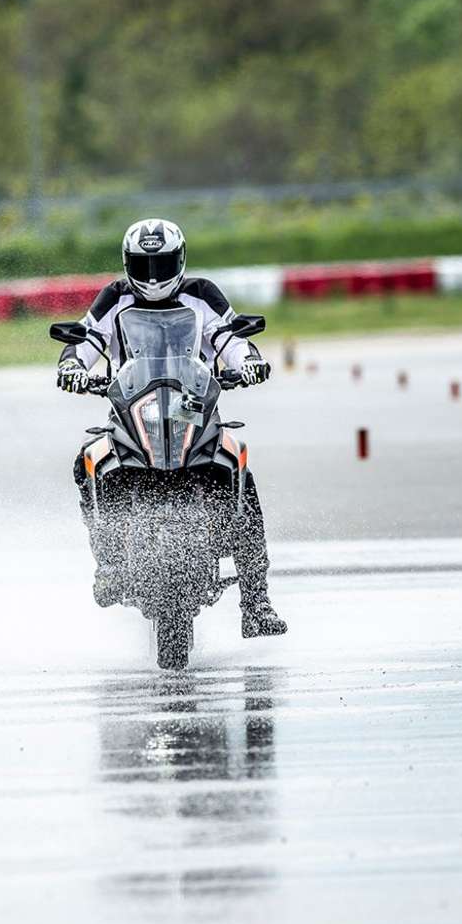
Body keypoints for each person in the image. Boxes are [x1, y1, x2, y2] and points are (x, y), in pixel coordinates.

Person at [56, 218, 287, 639]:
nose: (153, 275)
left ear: (179, 260)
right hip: (131, 410)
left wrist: (248, 362)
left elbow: (229, 338)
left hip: (191, 409)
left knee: (237, 466)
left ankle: (257, 602)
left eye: (161, 264)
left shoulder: (201, 295)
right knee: (88, 462)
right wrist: (72, 367)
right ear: (128, 263)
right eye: (144, 265)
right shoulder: (114, 298)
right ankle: (107, 563)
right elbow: (86, 340)